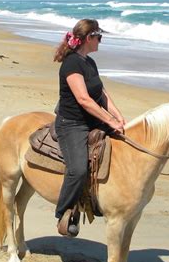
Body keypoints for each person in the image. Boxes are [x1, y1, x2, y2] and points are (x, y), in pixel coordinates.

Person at [53, 19, 126, 237]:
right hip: (72, 123)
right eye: (99, 37)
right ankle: (63, 213)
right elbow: (84, 100)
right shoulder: (71, 63)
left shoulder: (89, 62)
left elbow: (101, 94)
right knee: (78, 169)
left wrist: (118, 117)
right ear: (88, 39)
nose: (100, 41)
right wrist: (110, 121)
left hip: (92, 120)